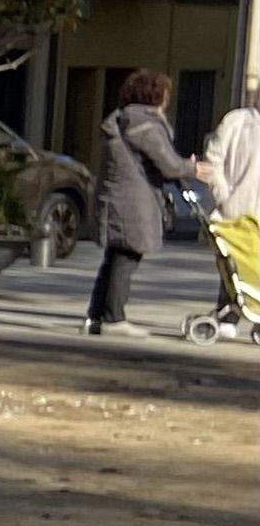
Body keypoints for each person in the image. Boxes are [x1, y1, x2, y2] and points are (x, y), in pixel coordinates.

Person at [87, 67, 194, 337]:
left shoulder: (123, 120)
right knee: (127, 256)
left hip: (118, 197)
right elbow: (168, 164)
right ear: (155, 96)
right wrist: (193, 168)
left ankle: (96, 316)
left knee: (115, 257)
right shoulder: (145, 124)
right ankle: (114, 318)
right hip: (132, 200)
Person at [203, 84, 260, 330]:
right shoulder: (237, 121)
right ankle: (229, 314)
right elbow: (214, 160)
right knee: (234, 264)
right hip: (237, 210)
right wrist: (224, 196)